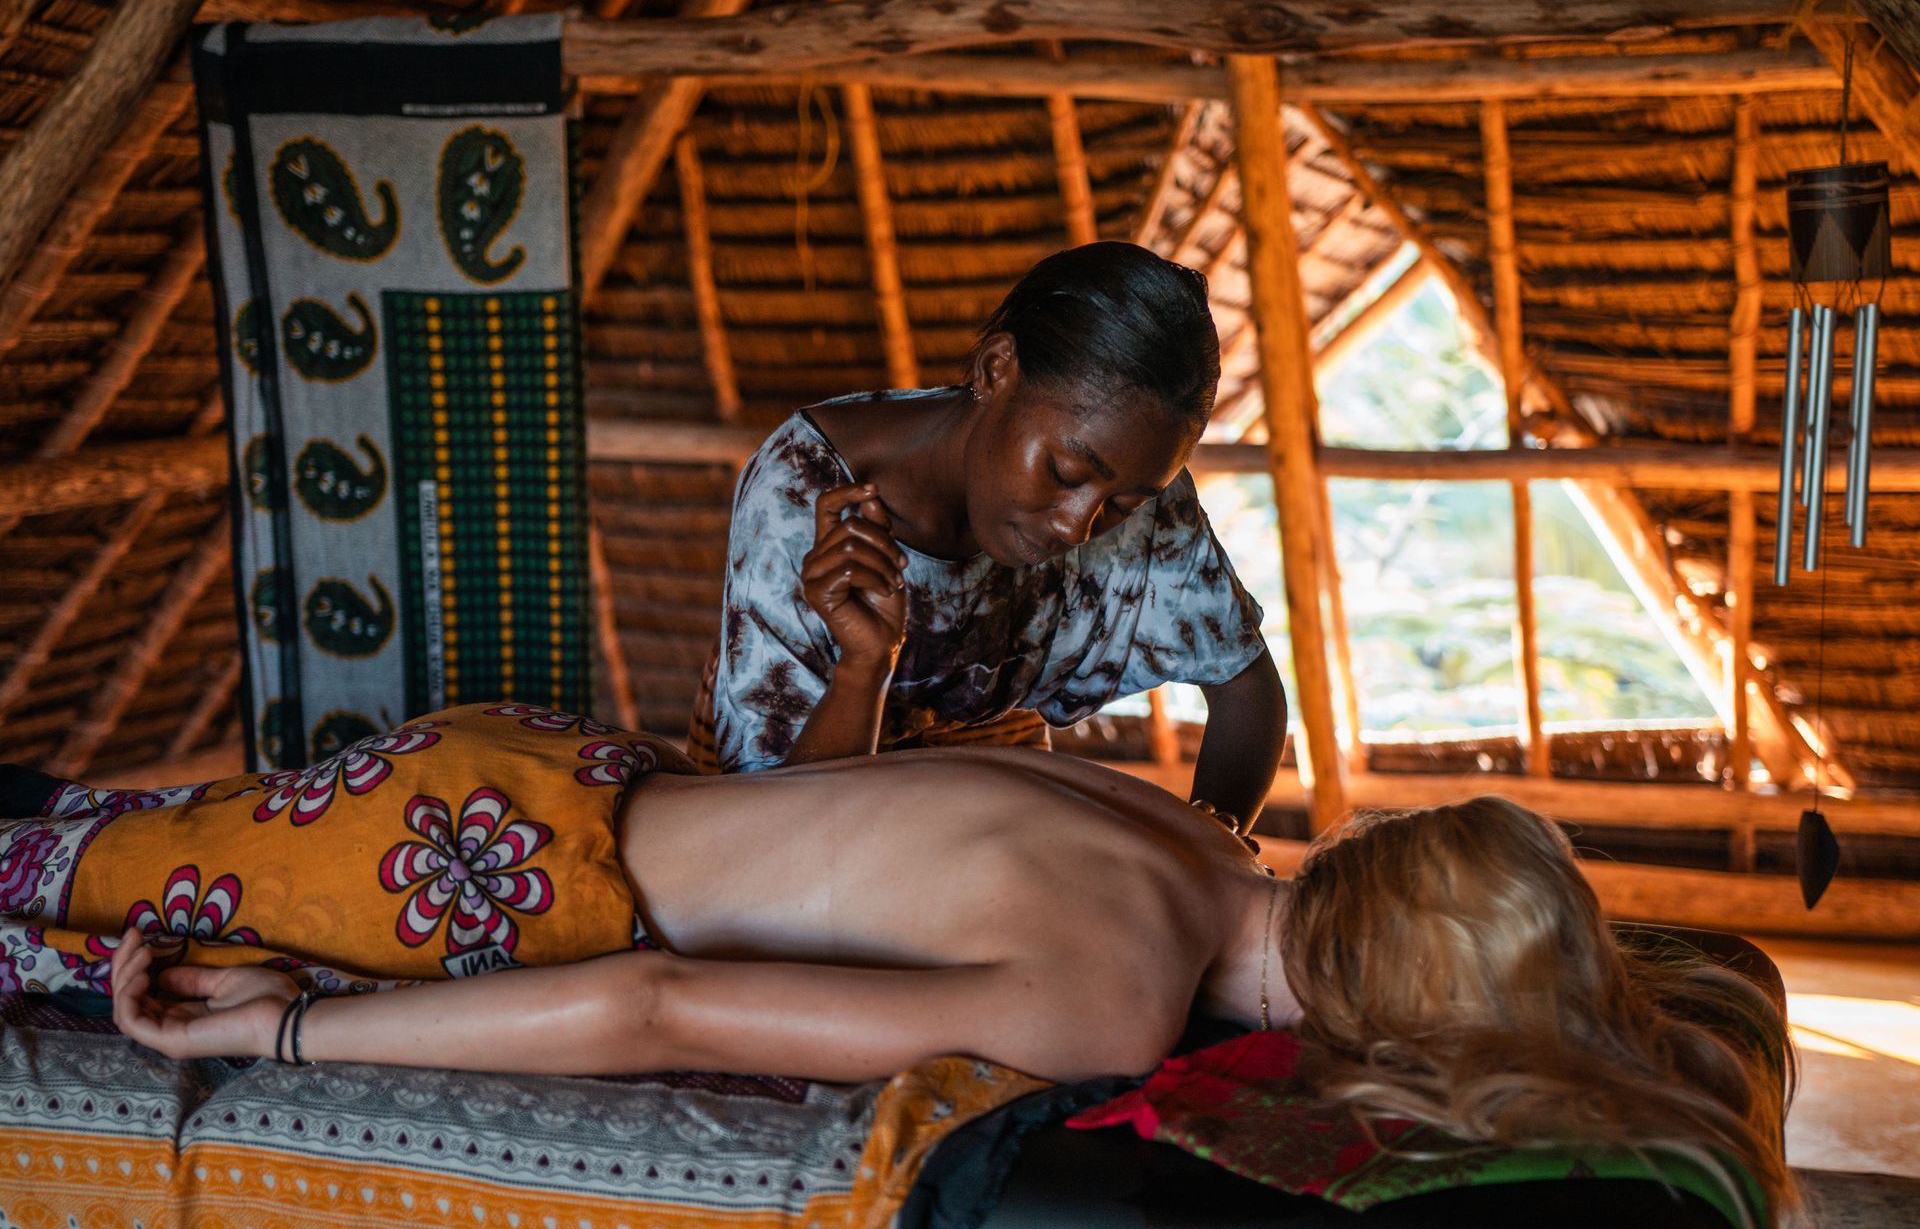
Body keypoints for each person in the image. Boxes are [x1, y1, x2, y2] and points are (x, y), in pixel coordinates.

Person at [6, 707, 1786, 1221]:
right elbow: (656, 1006)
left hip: (553, 776)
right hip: (498, 880)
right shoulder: (1109, 992)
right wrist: (309, 1034)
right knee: (47, 901)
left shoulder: (1192, 840)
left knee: (69, 844)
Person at [691, 242, 1286, 831]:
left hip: (988, 798)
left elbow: (1246, 686)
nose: (1075, 527)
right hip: (798, 792)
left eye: (1122, 504)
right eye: (1064, 474)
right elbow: (778, 835)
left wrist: (1216, 841)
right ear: (995, 371)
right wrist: (866, 664)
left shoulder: (1134, 482)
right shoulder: (804, 493)